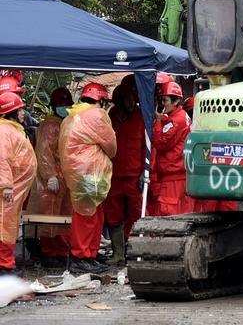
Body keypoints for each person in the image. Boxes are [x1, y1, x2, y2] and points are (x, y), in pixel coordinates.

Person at [59, 82, 117, 274]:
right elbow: (111, 146)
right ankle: (81, 256)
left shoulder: (71, 116)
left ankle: (88, 255)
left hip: (78, 174)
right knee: (88, 217)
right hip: (90, 173)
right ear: (100, 99)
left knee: (91, 214)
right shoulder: (96, 115)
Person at [28, 88, 74, 268]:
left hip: (65, 175)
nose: (64, 107)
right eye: (61, 104)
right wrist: (50, 176)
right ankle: (49, 251)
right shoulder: (49, 126)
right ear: (54, 106)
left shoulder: (65, 123)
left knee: (63, 215)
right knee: (50, 215)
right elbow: (44, 153)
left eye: (66, 104)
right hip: (53, 178)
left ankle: (61, 251)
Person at [103, 76, 146, 265]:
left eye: (132, 99)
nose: (131, 103)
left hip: (134, 176)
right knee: (113, 214)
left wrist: (145, 171)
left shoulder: (141, 117)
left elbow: (147, 147)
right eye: (126, 99)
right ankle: (118, 253)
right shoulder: (110, 117)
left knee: (137, 214)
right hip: (113, 176)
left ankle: (133, 251)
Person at [0, 92, 36, 273]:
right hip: (7, 190)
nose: (23, 113)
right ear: (10, 112)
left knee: (9, 225)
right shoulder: (4, 131)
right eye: (19, 109)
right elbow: (2, 159)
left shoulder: (11, 129)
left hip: (13, 188)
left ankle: (6, 264)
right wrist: (6, 185)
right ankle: (4, 266)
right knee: (4, 226)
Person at [149, 76, 192, 216]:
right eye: (161, 100)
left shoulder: (176, 120)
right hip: (177, 175)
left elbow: (160, 143)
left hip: (173, 177)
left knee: (168, 214)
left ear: (176, 101)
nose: (162, 104)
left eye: (165, 100)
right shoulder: (179, 116)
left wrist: (157, 123)